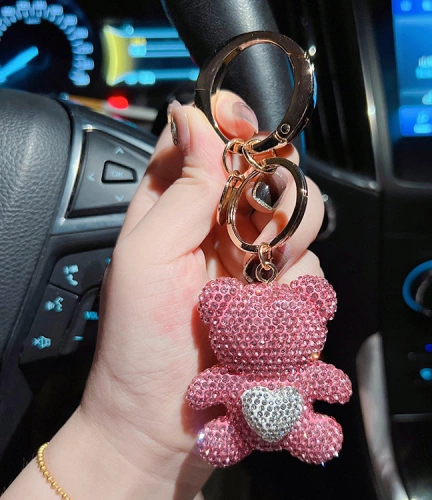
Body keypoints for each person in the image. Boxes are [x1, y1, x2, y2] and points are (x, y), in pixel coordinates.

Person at [3, 91, 325, 500]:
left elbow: (327, 382)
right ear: (220, 303)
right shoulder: (224, 362)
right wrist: (134, 439)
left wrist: (135, 445)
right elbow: (212, 388)